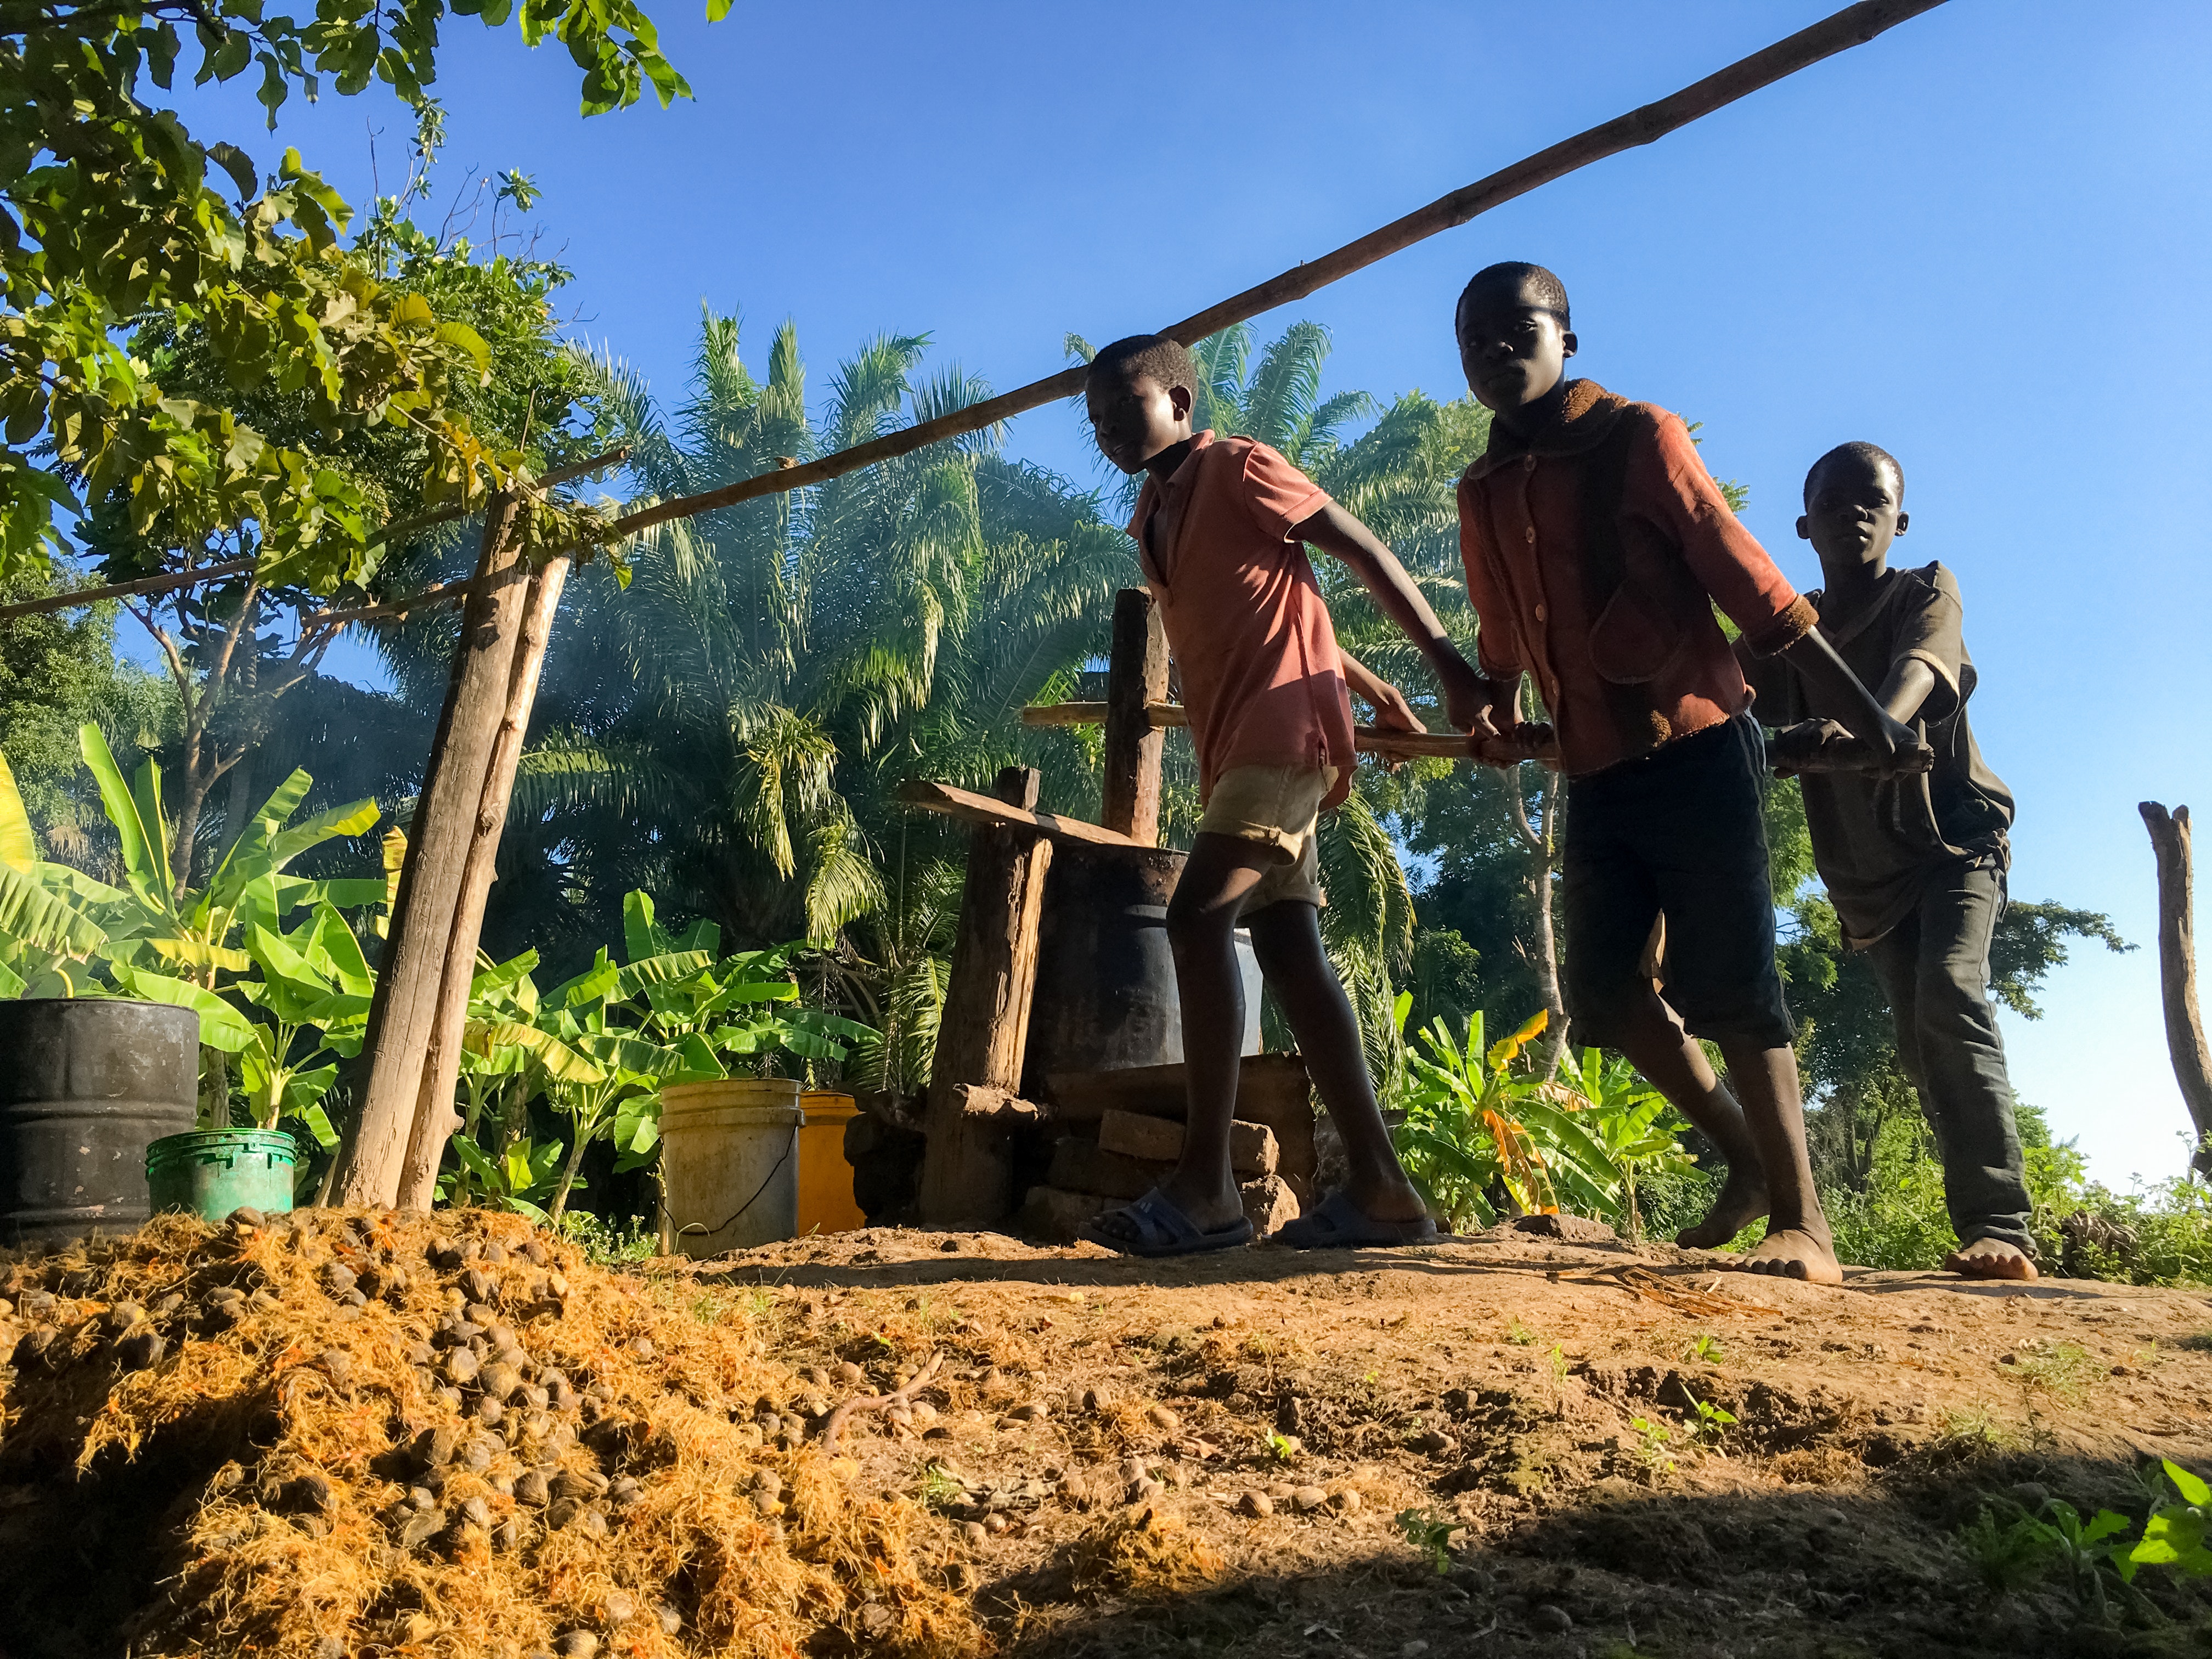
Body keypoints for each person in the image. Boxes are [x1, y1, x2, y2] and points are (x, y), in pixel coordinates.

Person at [1449, 262, 1928, 1284]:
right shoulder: (1481, 490)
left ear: (1566, 341)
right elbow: (1498, 633)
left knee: (1735, 983)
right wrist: (1492, 702)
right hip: (1594, 768)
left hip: (1700, 747)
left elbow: (1751, 583)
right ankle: (1751, 1165)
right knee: (1608, 994)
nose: (1495, 348)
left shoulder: (1637, 439)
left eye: (1516, 328)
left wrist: (1869, 719)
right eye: (1473, 336)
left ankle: (1807, 1227)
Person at [1078, 331, 1492, 1257]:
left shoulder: (1238, 468)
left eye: (1126, 408)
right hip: (1233, 756)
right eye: (1097, 422)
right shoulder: (1152, 517)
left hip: (1280, 736)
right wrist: (1365, 679)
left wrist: (1445, 670)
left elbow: (1353, 547)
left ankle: (1207, 1186)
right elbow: (1274, 600)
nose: (1109, 430)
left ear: (1181, 403)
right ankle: (1385, 1192)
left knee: (1193, 920)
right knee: (1290, 951)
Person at [1741, 442, 2035, 1280]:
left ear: (1900, 521)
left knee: (1951, 992)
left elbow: (1924, 666)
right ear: (1805, 526)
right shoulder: (1785, 634)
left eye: (1872, 501)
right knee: (1918, 1040)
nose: (1854, 513)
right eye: (1833, 502)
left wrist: (1879, 725)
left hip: (1954, 847)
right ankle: (1975, 1221)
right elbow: (1709, 698)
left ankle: (2001, 1225)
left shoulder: (1924, 591)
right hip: (1867, 880)